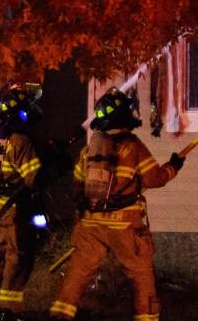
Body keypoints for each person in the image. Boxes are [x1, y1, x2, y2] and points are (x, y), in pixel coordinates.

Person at [48, 87, 184, 321]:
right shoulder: (133, 146)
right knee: (140, 273)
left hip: (90, 225)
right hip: (124, 226)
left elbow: (76, 187)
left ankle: (60, 315)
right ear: (125, 115)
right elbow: (155, 179)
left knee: (78, 272)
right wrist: (174, 166)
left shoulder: (89, 149)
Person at [0, 84, 46, 321]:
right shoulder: (21, 141)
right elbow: (34, 178)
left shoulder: (0, 140)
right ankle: (8, 309)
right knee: (18, 258)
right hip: (17, 213)